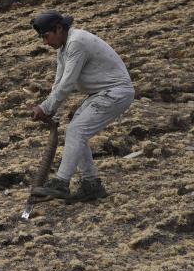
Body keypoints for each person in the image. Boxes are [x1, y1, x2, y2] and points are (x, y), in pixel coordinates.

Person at [29, 10, 134, 201]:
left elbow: (68, 83)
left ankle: (61, 182)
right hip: (100, 94)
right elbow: (59, 82)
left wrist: (46, 108)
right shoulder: (64, 48)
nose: (45, 42)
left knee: (76, 131)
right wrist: (48, 108)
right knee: (76, 131)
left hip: (116, 91)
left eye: (46, 36)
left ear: (59, 29)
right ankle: (91, 185)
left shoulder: (77, 42)